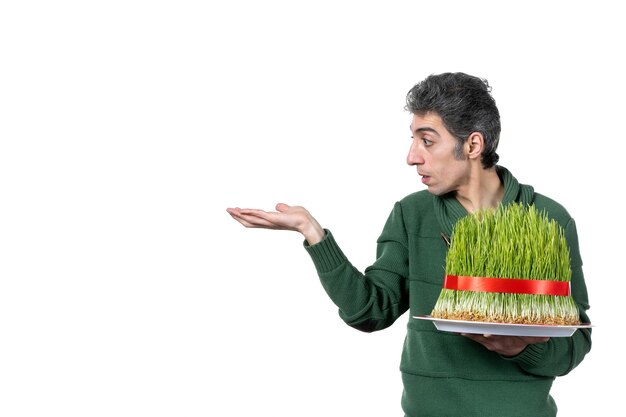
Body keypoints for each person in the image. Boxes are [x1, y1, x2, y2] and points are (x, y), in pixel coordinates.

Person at [226, 72, 592, 416]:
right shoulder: (411, 213)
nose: (412, 156)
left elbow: (573, 345)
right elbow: (371, 311)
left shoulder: (549, 219)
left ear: (473, 144)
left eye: (427, 141)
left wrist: (520, 348)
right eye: (413, 139)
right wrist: (312, 232)